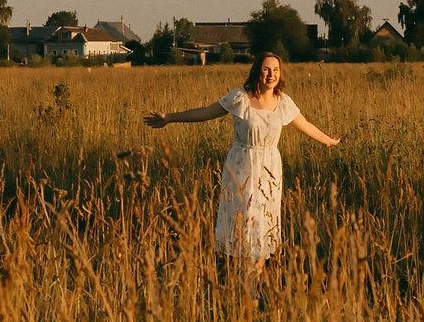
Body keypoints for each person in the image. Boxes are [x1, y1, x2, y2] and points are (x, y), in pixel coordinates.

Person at [143, 52, 340, 271]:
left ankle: (255, 276)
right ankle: (240, 274)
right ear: (257, 71)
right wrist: (170, 117)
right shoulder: (240, 98)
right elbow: (206, 112)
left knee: (263, 221)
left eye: (275, 70)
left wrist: (328, 141)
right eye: (266, 69)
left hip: (270, 170)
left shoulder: (283, 102)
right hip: (241, 168)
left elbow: (305, 125)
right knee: (243, 219)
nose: (271, 75)